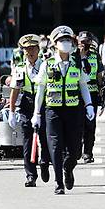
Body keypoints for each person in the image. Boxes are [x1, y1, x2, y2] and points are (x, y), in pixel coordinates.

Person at [32, 26, 94, 195]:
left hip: (73, 111)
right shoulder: (47, 64)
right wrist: (36, 113)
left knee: (74, 149)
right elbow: (40, 90)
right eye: (62, 40)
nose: (65, 43)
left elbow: (83, 85)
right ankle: (59, 183)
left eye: (68, 40)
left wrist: (89, 105)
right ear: (55, 44)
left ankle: (69, 168)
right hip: (53, 111)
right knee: (55, 146)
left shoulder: (77, 63)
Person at [8, 34, 51, 187]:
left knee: (45, 136)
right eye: (27, 49)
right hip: (27, 104)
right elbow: (15, 90)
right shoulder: (20, 68)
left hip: (44, 104)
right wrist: (12, 112)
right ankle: (30, 175)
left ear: (38, 49)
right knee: (27, 140)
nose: (30, 52)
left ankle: (45, 162)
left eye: (32, 49)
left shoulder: (46, 65)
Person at [77, 31, 103, 164]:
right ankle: (76, 150)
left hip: (92, 94)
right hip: (76, 94)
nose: (84, 45)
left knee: (90, 125)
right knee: (77, 124)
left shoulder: (95, 56)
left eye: (86, 42)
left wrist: (100, 91)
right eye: (82, 42)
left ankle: (88, 153)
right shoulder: (73, 56)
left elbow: (99, 75)